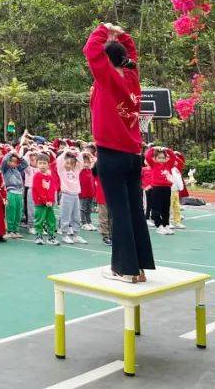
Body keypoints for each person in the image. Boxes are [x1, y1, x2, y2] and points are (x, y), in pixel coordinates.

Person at [83, 22, 154, 283]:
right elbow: (130, 53)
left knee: (120, 212)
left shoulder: (107, 79)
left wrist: (104, 28)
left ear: (107, 60)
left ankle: (125, 269)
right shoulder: (132, 79)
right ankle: (140, 267)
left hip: (111, 155)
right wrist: (122, 36)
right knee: (134, 209)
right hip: (133, 156)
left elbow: (91, 51)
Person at [56, 148, 87, 244]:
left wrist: (77, 152)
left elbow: (81, 162)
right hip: (66, 195)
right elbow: (59, 161)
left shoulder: (76, 171)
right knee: (65, 215)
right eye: (67, 163)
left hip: (75, 196)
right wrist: (66, 151)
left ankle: (76, 235)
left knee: (76, 216)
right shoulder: (62, 171)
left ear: (74, 165)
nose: (68, 165)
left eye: (71, 163)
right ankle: (65, 235)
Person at [31, 153, 60, 245]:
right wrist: (45, 200)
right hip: (40, 203)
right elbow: (38, 189)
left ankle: (51, 236)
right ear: (37, 164)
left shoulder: (50, 177)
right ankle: (39, 235)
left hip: (49, 204)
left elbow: (52, 190)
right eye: (40, 163)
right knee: (39, 219)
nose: (42, 165)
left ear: (48, 165)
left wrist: (51, 200)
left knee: (51, 220)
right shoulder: (37, 176)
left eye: (44, 163)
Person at [144, 147, 174, 235]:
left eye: (163, 158)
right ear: (155, 158)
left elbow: (173, 157)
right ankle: (159, 225)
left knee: (166, 208)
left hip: (167, 189)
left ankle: (166, 225)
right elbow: (148, 156)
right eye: (159, 158)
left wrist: (167, 150)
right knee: (157, 208)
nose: (161, 160)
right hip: (157, 189)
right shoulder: (153, 165)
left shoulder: (168, 165)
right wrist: (153, 148)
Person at [1, 151, 28, 239]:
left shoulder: (17, 169)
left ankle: (15, 230)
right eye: (11, 161)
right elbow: (4, 161)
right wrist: (10, 153)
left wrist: (19, 156)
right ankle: (9, 230)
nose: (13, 163)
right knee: (11, 212)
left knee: (18, 213)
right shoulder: (5, 169)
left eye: (15, 162)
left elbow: (25, 164)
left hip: (19, 193)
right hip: (10, 192)